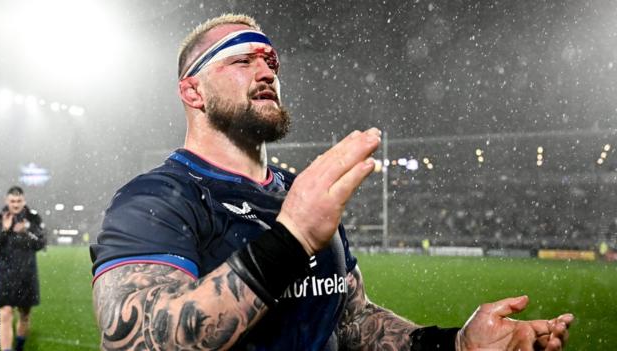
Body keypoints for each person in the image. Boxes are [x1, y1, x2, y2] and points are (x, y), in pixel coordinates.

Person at [90, 14, 573, 350]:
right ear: (192, 90)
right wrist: (291, 238)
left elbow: (354, 321)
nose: (265, 72)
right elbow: (139, 340)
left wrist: (453, 343)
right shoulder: (156, 199)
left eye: (271, 63)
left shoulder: (301, 194)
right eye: (241, 61)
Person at [0, 186, 46, 351]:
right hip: (4, 275)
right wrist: (5, 230)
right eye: (12, 201)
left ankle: (19, 348)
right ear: (6, 201)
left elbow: (40, 243)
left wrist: (26, 231)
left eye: (18, 201)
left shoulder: (33, 218)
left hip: (27, 275)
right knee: (3, 314)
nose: (15, 204)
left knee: (25, 315)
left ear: (24, 200)